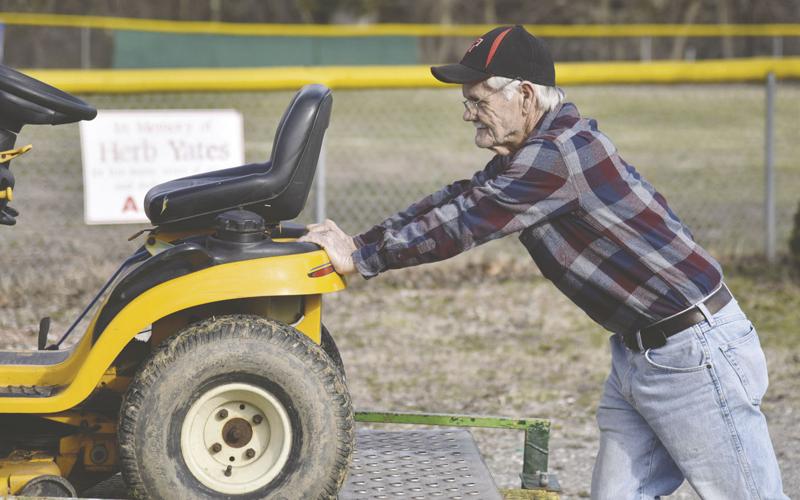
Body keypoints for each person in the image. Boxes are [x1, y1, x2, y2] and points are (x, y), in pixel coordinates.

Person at [299, 25, 787, 499]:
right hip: (641, 352)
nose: (468, 114)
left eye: (479, 101)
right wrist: (360, 241)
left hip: (692, 353)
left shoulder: (555, 157)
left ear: (526, 97)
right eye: (466, 102)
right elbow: (461, 197)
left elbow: (467, 221)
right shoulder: (534, 154)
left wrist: (362, 258)